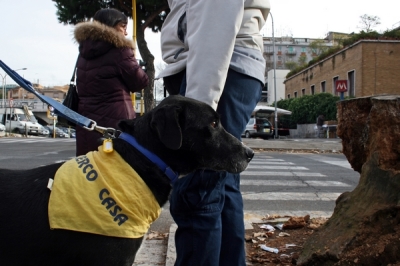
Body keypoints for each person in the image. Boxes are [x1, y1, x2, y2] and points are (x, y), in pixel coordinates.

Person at [158, 1, 271, 265]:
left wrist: (196, 112)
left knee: (196, 193)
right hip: (227, 66)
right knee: (221, 184)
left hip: (218, 66)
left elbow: (213, 27)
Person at [73, 8, 148, 156]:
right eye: (123, 27)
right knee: (117, 165)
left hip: (86, 123)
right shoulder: (120, 50)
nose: (126, 33)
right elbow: (140, 82)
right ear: (112, 25)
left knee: (89, 165)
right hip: (115, 120)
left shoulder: (83, 52)